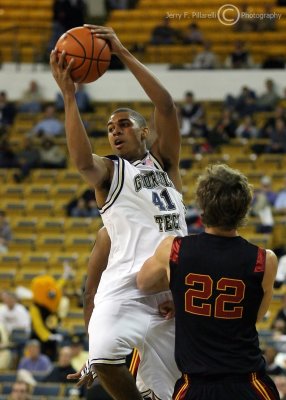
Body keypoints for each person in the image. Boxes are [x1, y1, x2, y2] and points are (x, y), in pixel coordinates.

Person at [50, 24, 187, 400]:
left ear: (145, 132)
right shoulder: (110, 172)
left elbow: (166, 106)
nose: (115, 131)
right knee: (103, 356)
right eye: (110, 128)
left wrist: (122, 52)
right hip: (126, 285)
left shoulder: (165, 163)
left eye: (124, 124)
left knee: (173, 390)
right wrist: (69, 97)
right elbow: (80, 161)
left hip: (172, 285)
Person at [137, 163, 280, 400]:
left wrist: (184, 299)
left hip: (195, 386)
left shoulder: (173, 249)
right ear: (244, 209)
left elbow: (143, 284)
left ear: (202, 207)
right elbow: (254, 316)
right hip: (248, 383)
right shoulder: (265, 260)